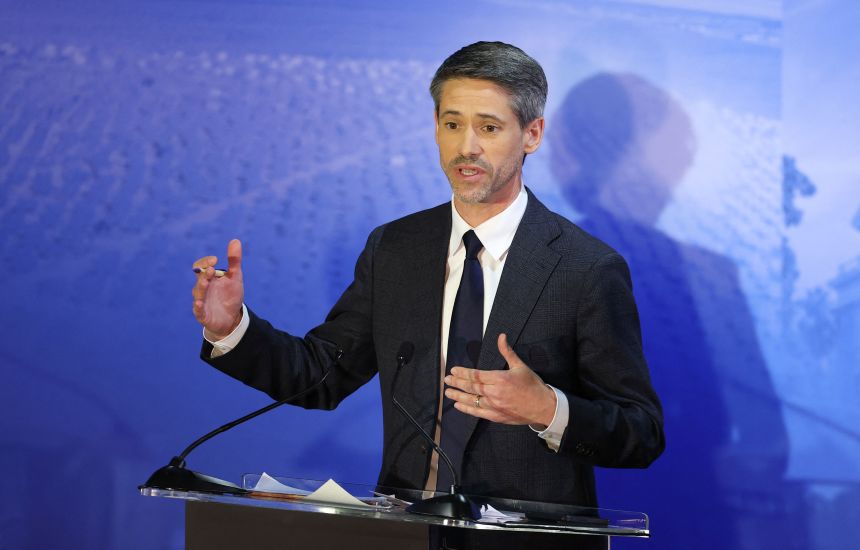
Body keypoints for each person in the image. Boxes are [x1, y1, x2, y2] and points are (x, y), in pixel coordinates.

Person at [191, 41, 664, 549]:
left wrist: (546, 408)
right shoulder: (395, 248)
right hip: (404, 537)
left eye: (488, 127)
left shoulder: (586, 267)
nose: (467, 148)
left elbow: (640, 433)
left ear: (532, 134)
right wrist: (231, 328)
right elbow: (321, 376)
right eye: (452, 124)